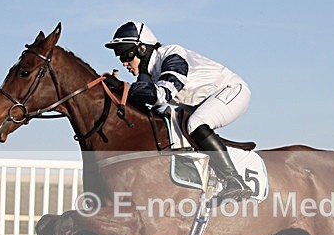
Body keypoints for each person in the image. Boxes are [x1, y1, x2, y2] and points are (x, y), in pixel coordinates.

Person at [105, 21, 253, 202]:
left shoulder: (171, 55)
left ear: (142, 49)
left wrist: (123, 87)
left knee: (196, 124)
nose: (123, 62)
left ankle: (234, 181)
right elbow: (153, 108)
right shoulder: (149, 74)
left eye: (126, 54)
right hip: (201, 102)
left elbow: (161, 95)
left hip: (232, 90)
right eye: (119, 57)